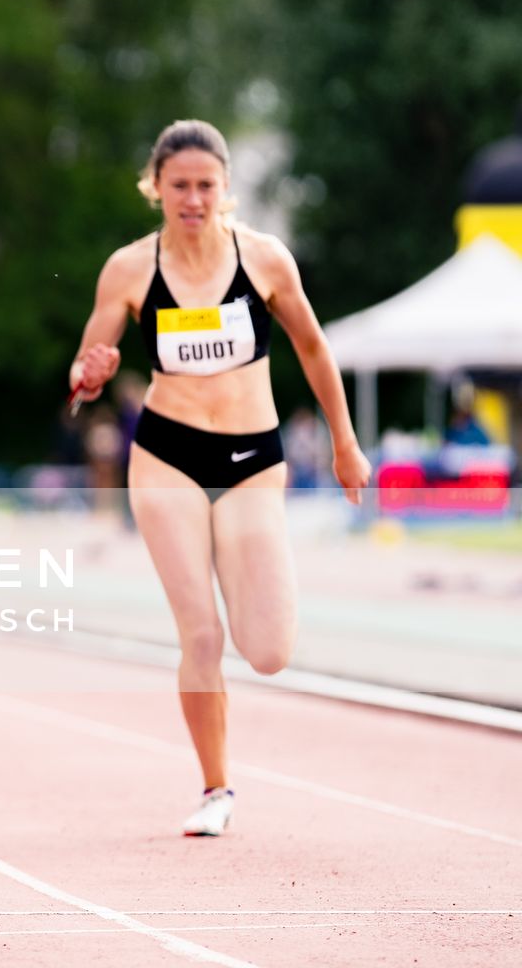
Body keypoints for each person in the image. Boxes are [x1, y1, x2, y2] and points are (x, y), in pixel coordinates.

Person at [67, 119, 369, 837]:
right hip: (167, 455)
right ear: (156, 188)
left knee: (266, 650)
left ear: (225, 187)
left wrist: (345, 443)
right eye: (180, 186)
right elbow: (85, 371)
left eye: (206, 185)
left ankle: (253, 584)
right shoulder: (130, 269)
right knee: (200, 635)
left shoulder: (264, 259)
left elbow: (316, 349)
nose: (193, 199)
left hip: (251, 460)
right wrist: (88, 373)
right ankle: (216, 787)